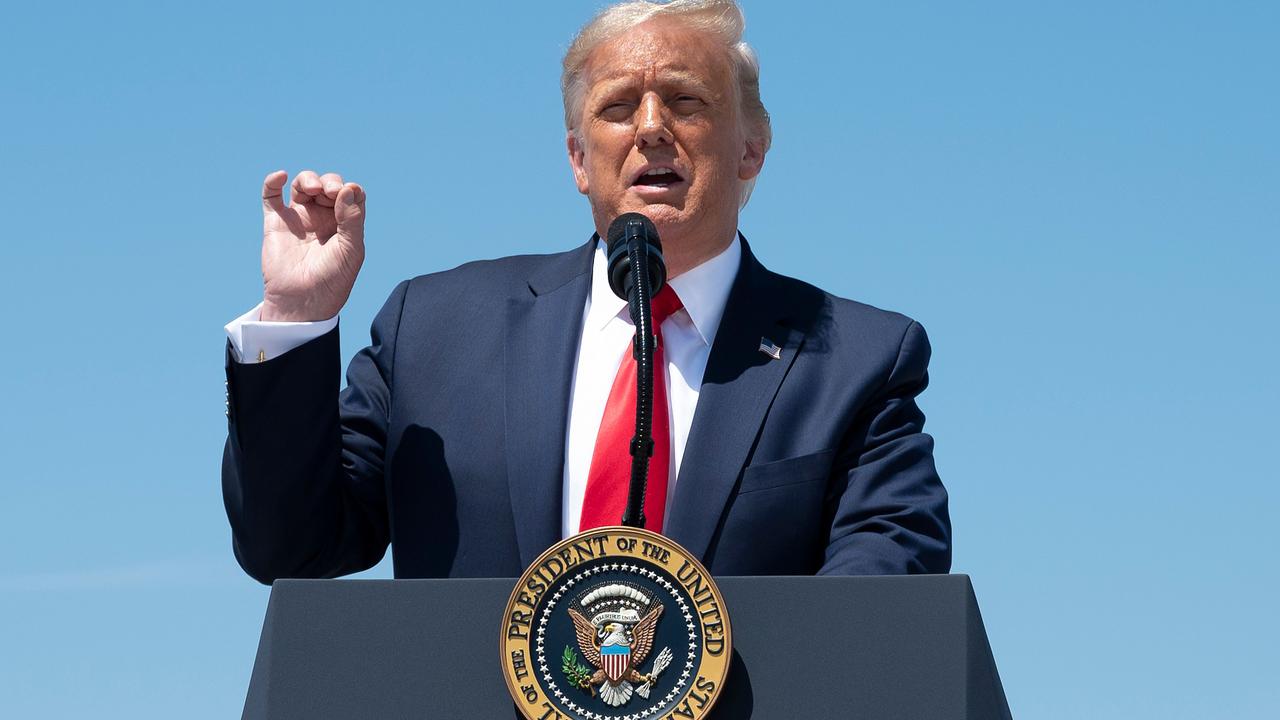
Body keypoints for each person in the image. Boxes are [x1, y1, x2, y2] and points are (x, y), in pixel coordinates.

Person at [222, 0, 950, 584]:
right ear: (578, 157)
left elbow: (880, 593)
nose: (652, 128)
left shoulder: (855, 361)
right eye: (618, 107)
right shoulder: (434, 332)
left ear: (751, 148)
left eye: (687, 101)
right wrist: (294, 318)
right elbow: (292, 548)